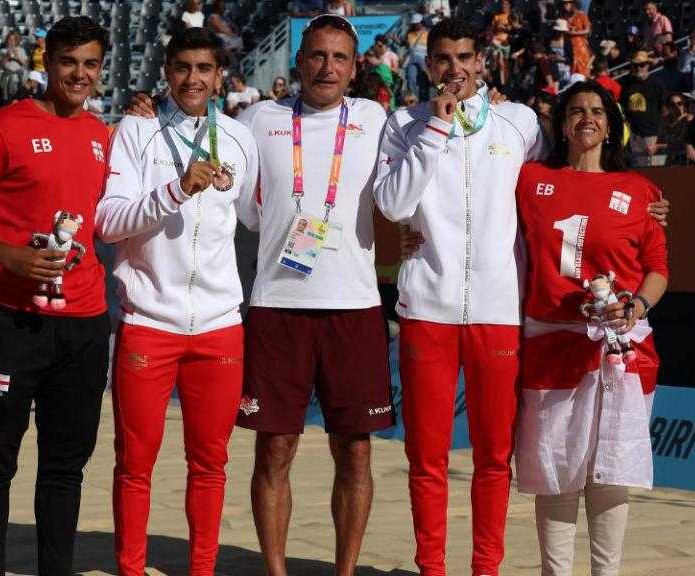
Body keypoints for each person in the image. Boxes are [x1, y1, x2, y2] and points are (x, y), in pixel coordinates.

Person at [0, 16, 111, 575]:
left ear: (101, 70)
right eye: (68, 62)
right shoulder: (5, 127)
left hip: (85, 321)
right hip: (9, 319)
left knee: (65, 467)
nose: (78, 74)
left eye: (90, 64)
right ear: (47, 62)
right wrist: (7, 256)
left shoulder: (103, 135)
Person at [374, 17, 544, 576]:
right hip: (427, 308)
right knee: (426, 457)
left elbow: (561, 183)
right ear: (429, 66)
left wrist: (645, 204)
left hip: (496, 310)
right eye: (443, 59)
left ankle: (486, 569)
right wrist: (435, 133)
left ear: (483, 61)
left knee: (495, 457)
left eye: (464, 58)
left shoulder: (520, 122)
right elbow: (395, 206)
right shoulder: (404, 124)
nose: (454, 69)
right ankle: (432, 569)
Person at [234, 14, 394, 576]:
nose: (328, 68)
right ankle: (276, 571)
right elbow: (243, 205)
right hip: (278, 306)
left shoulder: (376, 119)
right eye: (319, 56)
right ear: (299, 61)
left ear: (354, 68)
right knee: (274, 449)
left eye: (340, 58)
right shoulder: (258, 119)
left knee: (354, 450)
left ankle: (344, 571)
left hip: (354, 307)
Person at [96, 28, 259, 576]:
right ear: (166, 71)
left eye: (204, 69)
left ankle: (203, 569)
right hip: (149, 322)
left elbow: (258, 217)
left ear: (221, 76)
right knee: (134, 465)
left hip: (219, 326)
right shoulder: (136, 130)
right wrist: (176, 190)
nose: (193, 79)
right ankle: (131, 569)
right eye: (183, 67)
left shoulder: (238, 138)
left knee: (211, 464)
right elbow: (107, 220)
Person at [514, 78, 668, 576]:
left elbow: (658, 266)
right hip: (550, 344)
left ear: (611, 124)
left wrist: (637, 307)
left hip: (621, 349)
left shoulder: (640, 190)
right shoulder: (530, 179)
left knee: (609, 472)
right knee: (557, 471)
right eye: (576, 110)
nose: (587, 118)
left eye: (597, 111)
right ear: (561, 123)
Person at [620, 50, 667, 166]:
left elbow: (665, 110)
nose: (638, 68)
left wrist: (660, 139)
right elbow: (623, 110)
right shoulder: (627, 85)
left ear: (648, 66)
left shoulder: (657, 83)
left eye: (642, 65)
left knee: (657, 172)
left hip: (653, 135)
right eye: (635, 65)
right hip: (635, 137)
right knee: (640, 174)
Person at [657, 92, 690, 164]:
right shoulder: (666, 122)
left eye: (679, 103)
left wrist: (658, 146)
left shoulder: (689, 119)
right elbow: (662, 139)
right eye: (672, 104)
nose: (677, 106)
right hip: (669, 160)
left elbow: (682, 141)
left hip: (685, 160)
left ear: (683, 104)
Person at [561, 0, 592, 77]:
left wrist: (575, 33)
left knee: (584, 72)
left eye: (567, 3)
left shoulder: (580, 15)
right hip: (569, 47)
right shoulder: (563, 17)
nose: (565, 5)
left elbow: (588, 29)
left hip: (581, 48)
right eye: (563, 3)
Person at [0, 30, 29, 104]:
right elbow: (2, 66)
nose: (12, 42)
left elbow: (25, 63)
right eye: (10, 39)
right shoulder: (3, 51)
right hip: (7, 77)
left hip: (18, 78)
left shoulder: (21, 50)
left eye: (14, 40)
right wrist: (7, 56)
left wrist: (17, 56)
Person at [405, 14, 430, 102]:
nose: (415, 25)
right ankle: (414, 101)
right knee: (411, 79)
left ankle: (425, 101)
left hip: (423, 60)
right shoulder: (409, 34)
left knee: (423, 80)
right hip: (411, 59)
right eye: (413, 23)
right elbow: (402, 44)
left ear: (421, 23)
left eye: (416, 23)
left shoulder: (428, 33)